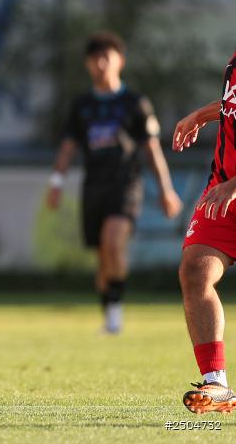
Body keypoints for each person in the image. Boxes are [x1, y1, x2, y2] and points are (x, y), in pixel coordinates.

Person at [47, 31, 182, 334]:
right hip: (93, 186)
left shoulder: (135, 103)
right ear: (88, 64)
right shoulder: (82, 106)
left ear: (120, 61)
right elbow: (68, 147)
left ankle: (116, 315)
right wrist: (56, 183)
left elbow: (152, 148)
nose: (102, 62)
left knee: (113, 241)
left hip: (125, 184)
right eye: (96, 57)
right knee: (102, 256)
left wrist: (166, 189)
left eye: (108, 55)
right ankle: (108, 311)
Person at [173, 52, 236, 413]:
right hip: (223, 191)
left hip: (231, 187)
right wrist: (202, 114)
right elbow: (233, 104)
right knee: (196, 269)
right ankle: (216, 383)